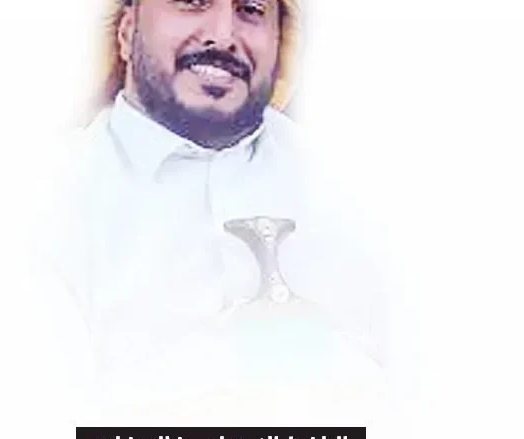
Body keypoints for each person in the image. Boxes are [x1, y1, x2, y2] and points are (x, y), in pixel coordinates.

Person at [41, 0, 387, 424]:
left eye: (251, 9)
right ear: (127, 29)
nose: (223, 36)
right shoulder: (48, 205)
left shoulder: (353, 192)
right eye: (192, 2)